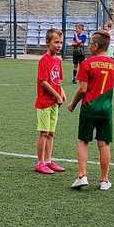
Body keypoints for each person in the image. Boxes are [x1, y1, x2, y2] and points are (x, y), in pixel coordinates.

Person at [68, 31, 114, 191]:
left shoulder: (87, 64)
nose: (88, 46)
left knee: (83, 141)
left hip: (89, 108)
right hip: (105, 110)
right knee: (104, 144)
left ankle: (82, 176)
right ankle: (104, 180)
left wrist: (72, 104)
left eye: (90, 44)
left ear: (95, 46)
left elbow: (82, 89)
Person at [34, 29, 67, 175]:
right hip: (44, 102)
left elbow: (57, 81)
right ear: (48, 43)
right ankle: (40, 162)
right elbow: (43, 82)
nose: (59, 45)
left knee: (51, 133)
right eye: (56, 42)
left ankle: (48, 160)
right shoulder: (44, 60)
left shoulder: (58, 61)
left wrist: (62, 92)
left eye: (61, 42)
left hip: (54, 103)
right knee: (44, 132)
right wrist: (57, 95)